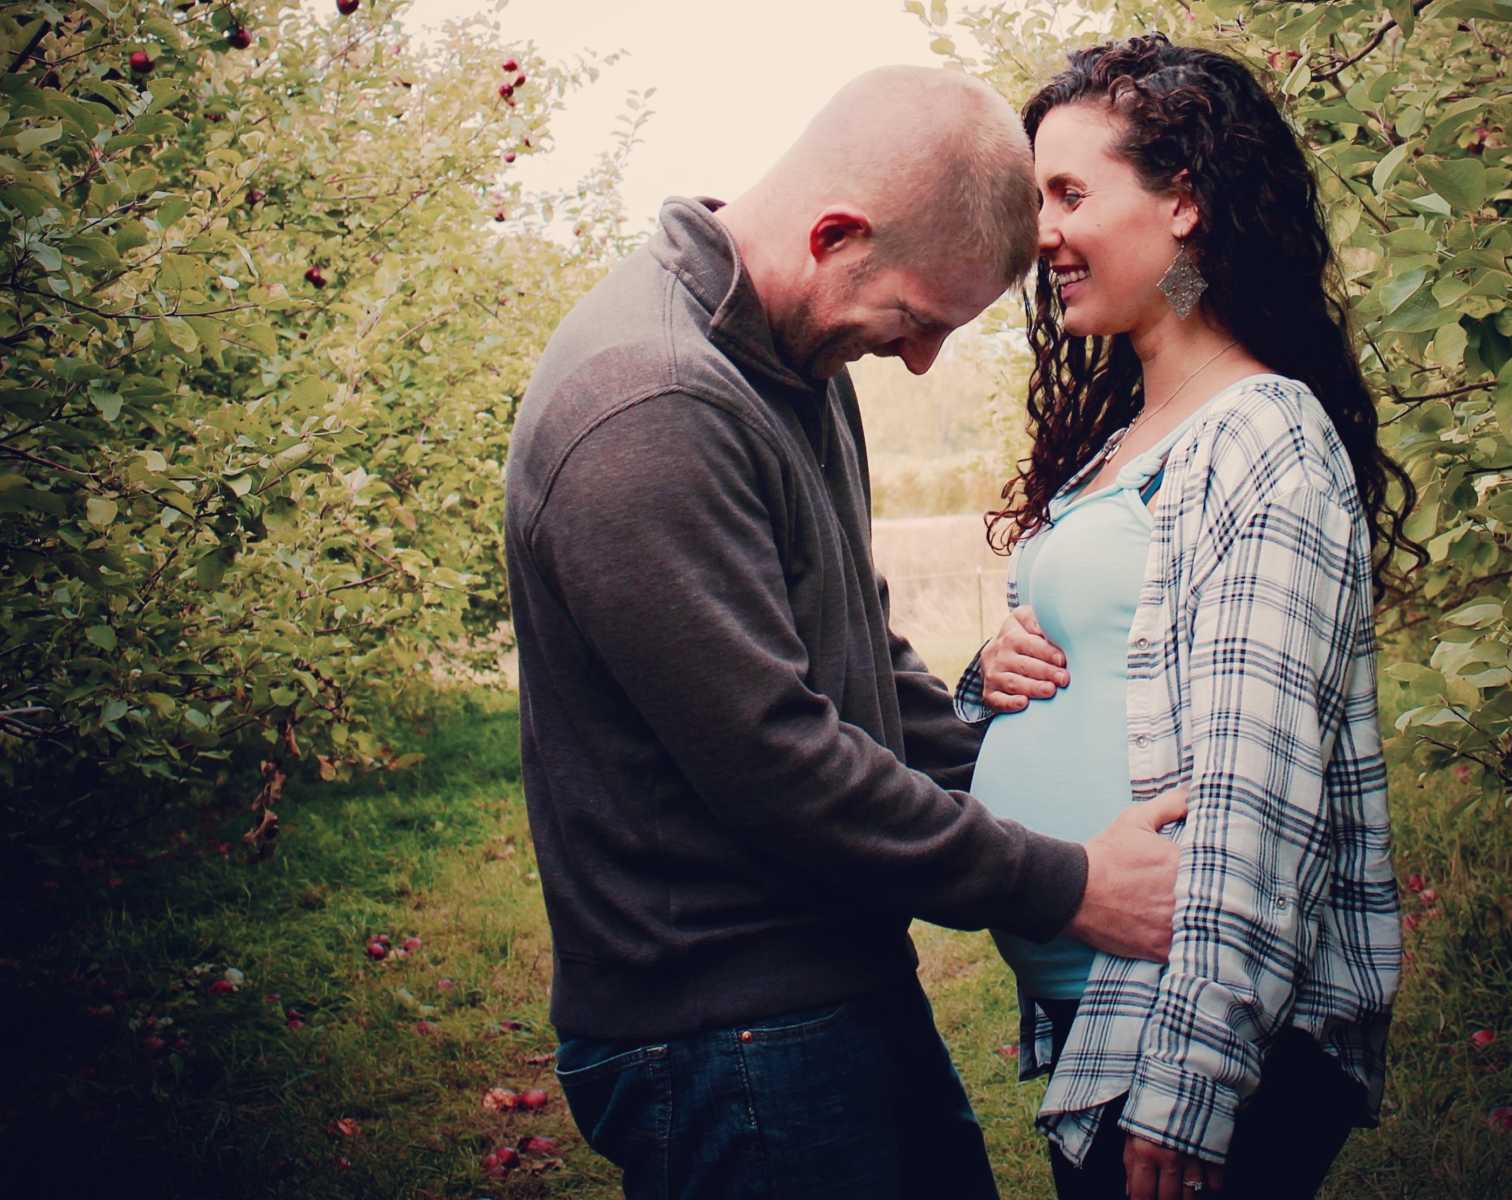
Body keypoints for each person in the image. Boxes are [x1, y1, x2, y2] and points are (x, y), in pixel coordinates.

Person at [503, 66, 1187, 1200]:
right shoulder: (652, 410)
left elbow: (856, 653)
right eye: (918, 322)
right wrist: (1061, 882)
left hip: (820, 991)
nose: (916, 360)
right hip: (726, 1033)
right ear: (834, 236)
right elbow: (782, 768)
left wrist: (1018, 767)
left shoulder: (785, 360)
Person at [954, 35, 1419, 1200]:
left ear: (1185, 205)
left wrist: (1195, 1081)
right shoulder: (1126, 443)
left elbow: (1259, 790)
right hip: (1101, 1014)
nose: (1040, 234)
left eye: (1069, 195)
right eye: (1032, 199)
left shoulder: (1262, 434)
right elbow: (1118, 664)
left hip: (1192, 1036)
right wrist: (993, 677)